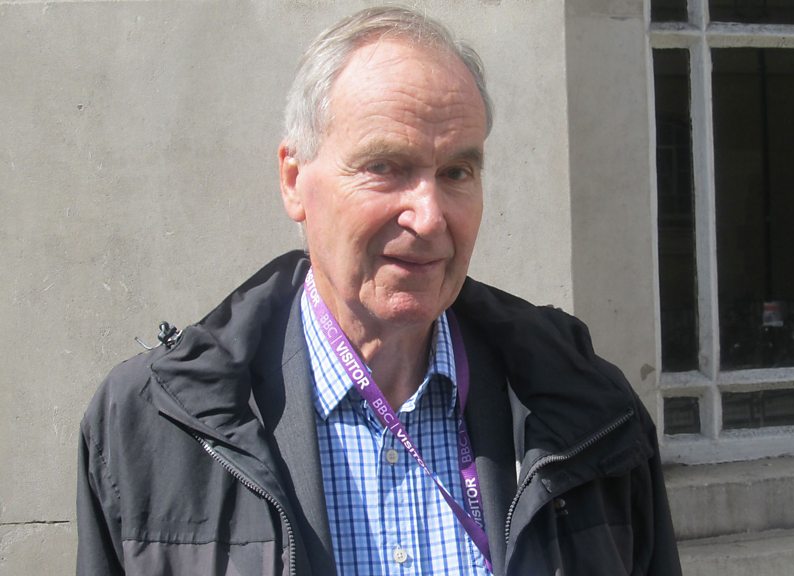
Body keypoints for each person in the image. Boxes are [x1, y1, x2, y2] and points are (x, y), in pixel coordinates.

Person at [76, 7, 681, 576]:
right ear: (294, 181)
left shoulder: (590, 411)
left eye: (456, 172)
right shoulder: (153, 427)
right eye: (385, 167)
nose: (429, 217)